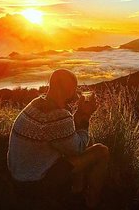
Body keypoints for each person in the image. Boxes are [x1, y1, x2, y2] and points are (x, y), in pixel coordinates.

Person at [7, 69, 109, 208]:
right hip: (35, 183)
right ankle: (91, 203)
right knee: (100, 151)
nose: (76, 93)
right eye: (73, 89)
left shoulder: (36, 103)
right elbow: (77, 149)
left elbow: (62, 133)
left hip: (19, 173)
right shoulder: (56, 115)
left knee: (84, 141)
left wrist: (78, 114)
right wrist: (86, 118)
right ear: (66, 90)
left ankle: (76, 193)